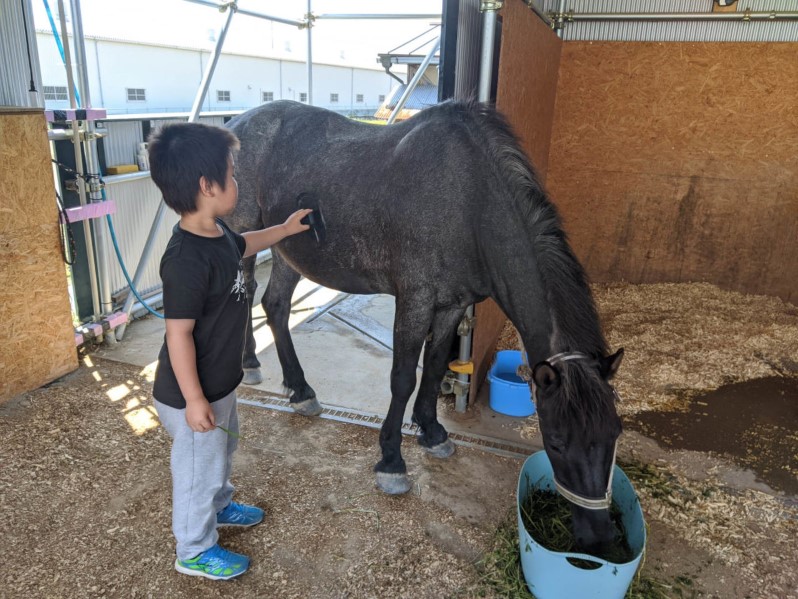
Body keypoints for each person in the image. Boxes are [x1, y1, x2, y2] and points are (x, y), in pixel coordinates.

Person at [147, 121, 311, 580]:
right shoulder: (184, 260)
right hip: (189, 394)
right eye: (232, 174)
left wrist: (283, 228)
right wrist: (195, 400)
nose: (237, 181)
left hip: (219, 385)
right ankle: (194, 549)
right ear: (207, 185)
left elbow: (246, 243)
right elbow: (177, 335)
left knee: (218, 454)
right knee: (198, 469)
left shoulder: (217, 233)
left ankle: (219, 506)